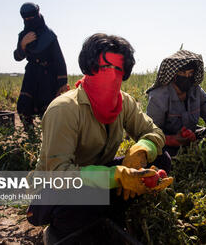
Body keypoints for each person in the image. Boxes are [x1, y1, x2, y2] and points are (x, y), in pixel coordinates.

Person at [27, 33, 173, 244]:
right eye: (104, 68)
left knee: (161, 159)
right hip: (56, 189)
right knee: (81, 202)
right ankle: (57, 232)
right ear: (89, 67)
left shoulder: (124, 103)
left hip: (99, 179)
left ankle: (110, 210)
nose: (111, 76)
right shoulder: (65, 109)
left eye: (118, 69)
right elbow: (58, 174)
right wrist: (115, 176)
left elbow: (155, 133)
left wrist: (141, 150)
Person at [146, 50, 206, 156]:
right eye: (182, 73)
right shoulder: (158, 96)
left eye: (190, 73)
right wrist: (174, 140)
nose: (187, 77)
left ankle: (204, 154)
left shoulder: (195, 90)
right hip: (169, 142)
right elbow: (152, 132)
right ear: (173, 74)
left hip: (192, 136)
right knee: (160, 152)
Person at [13, 2, 69, 132]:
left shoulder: (49, 35)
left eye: (31, 18)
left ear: (37, 16)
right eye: (26, 19)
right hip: (31, 74)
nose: (29, 21)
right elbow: (17, 57)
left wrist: (62, 83)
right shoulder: (23, 35)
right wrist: (23, 44)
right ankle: (30, 135)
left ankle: (49, 137)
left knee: (48, 107)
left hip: (48, 76)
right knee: (24, 105)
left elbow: (59, 59)